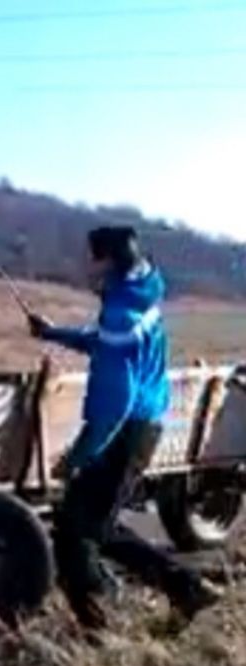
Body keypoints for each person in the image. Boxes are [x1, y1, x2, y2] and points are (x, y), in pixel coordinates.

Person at [28, 225, 220, 629]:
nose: (85, 264)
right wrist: (52, 333)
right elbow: (104, 341)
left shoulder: (121, 311)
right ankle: (184, 589)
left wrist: (82, 455)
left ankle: (99, 624)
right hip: (140, 427)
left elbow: (117, 400)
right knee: (92, 524)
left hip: (125, 431)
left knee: (77, 530)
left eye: (90, 257)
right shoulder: (138, 296)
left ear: (107, 261)